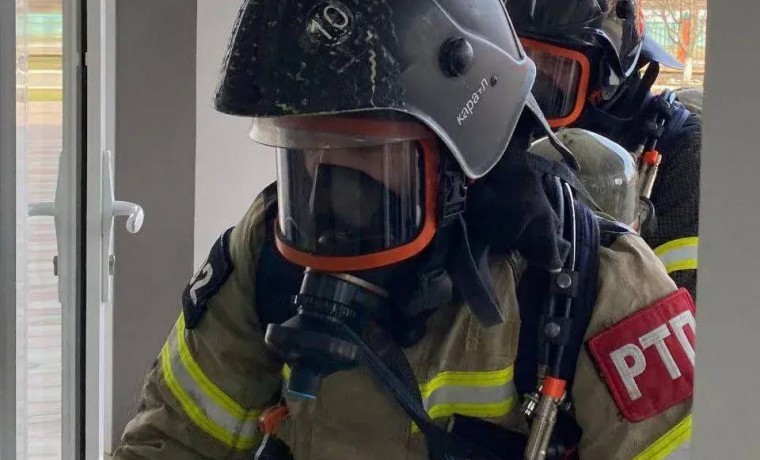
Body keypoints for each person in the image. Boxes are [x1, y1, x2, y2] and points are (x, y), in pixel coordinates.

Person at [113, 1, 695, 459]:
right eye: (304, 148)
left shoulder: (597, 290)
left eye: (361, 147)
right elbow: (173, 441)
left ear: (459, 155)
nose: (323, 180)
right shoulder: (266, 255)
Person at [505, 0, 702, 299]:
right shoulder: (498, 130)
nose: (536, 81)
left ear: (606, 76)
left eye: (557, 64)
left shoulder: (681, 155)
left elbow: (678, 308)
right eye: (523, 57)